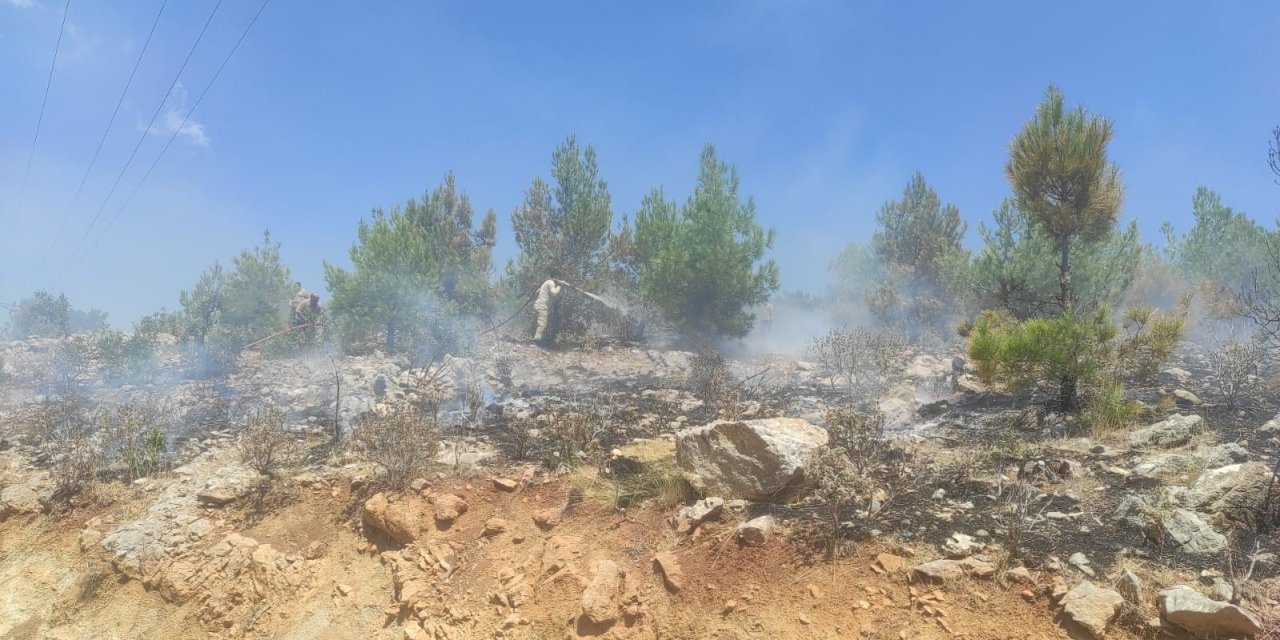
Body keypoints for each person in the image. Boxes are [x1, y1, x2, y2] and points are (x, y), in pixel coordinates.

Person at [533, 276, 562, 345]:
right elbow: (554, 293)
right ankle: (537, 341)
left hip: (538, 305)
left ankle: (540, 340)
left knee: (542, 324)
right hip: (542, 307)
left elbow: (537, 292)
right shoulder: (551, 282)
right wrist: (559, 286)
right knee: (542, 324)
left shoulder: (546, 283)